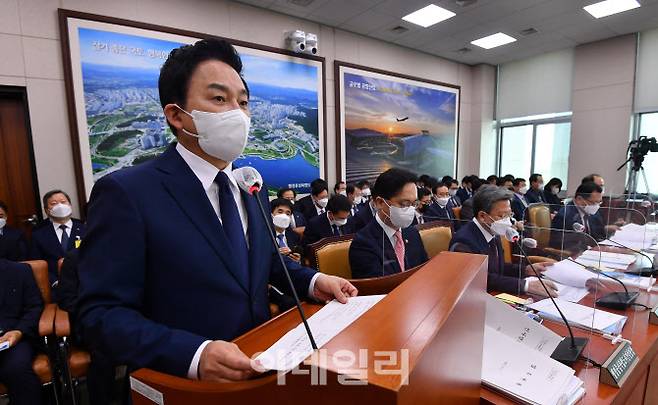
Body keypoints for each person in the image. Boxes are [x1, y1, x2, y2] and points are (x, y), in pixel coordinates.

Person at [76, 38, 357, 382]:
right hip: (182, 383)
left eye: (243, 102)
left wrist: (314, 280)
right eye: (219, 99)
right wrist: (193, 355)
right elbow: (100, 314)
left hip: (258, 365)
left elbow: (263, 262)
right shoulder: (128, 192)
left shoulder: (247, 184)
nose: (237, 114)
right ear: (177, 115)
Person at [449, 188, 557, 296]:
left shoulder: (492, 230)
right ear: (482, 216)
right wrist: (525, 285)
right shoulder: (464, 241)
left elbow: (496, 268)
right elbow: (480, 279)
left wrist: (526, 270)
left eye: (509, 215)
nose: (507, 221)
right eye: (501, 216)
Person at [349, 168, 428, 279]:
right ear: (380, 202)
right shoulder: (363, 243)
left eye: (413, 204)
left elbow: (424, 271)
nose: (410, 210)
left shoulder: (412, 233)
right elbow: (373, 288)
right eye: (404, 204)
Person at [0, 259, 44, 405]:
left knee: (16, 369)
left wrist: (19, 331)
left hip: (14, 339)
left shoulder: (19, 271)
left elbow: (35, 307)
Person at [29, 190, 86, 285]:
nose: (60, 206)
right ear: (47, 210)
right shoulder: (38, 235)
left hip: (84, 281)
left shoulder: (85, 229)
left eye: (63, 202)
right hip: (56, 285)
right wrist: (54, 281)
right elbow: (38, 264)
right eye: (54, 203)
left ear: (70, 205)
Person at [550, 182, 606, 248]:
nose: (597, 206)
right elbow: (559, 243)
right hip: (573, 254)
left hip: (594, 250)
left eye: (599, 202)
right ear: (579, 199)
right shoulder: (565, 215)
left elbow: (600, 234)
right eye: (594, 202)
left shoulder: (594, 213)